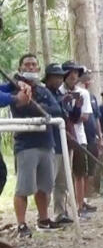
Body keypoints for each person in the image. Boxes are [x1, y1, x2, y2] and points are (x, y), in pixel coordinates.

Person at [0, 53, 64, 237]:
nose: (30, 67)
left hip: (46, 142)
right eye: (26, 64)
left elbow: (55, 110)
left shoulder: (44, 90)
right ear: (20, 69)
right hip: (26, 143)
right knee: (23, 187)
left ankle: (43, 220)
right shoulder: (13, 88)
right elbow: (22, 105)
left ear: (38, 68)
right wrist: (22, 98)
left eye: (33, 64)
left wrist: (36, 104)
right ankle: (21, 224)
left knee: (45, 186)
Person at [43, 63, 80, 225]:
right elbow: (48, 111)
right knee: (48, 181)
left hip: (64, 142)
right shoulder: (44, 93)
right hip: (51, 143)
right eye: (56, 76)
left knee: (62, 182)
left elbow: (70, 116)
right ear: (49, 77)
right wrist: (61, 102)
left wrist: (76, 106)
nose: (59, 79)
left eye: (60, 76)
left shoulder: (60, 94)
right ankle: (43, 216)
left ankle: (60, 212)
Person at [60, 61, 94, 217]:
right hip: (62, 137)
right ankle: (64, 209)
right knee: (62, 175)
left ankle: (80, 206)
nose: (73, 75)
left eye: (76, 72)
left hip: (79, 137)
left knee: (79, 173)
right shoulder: (58, 92)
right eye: (70, 72)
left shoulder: (84, 93)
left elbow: (85, 117)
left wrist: (72, 112)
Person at [80, 69, 103, 208]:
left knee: (90, 170)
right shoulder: (77, 95)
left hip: (92, 137)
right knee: (80, 170)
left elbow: (97, 118)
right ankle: (78, 200)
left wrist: (100, 137)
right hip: (80, 137)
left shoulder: (92, 97)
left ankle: (84, 199)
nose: (87, 81)